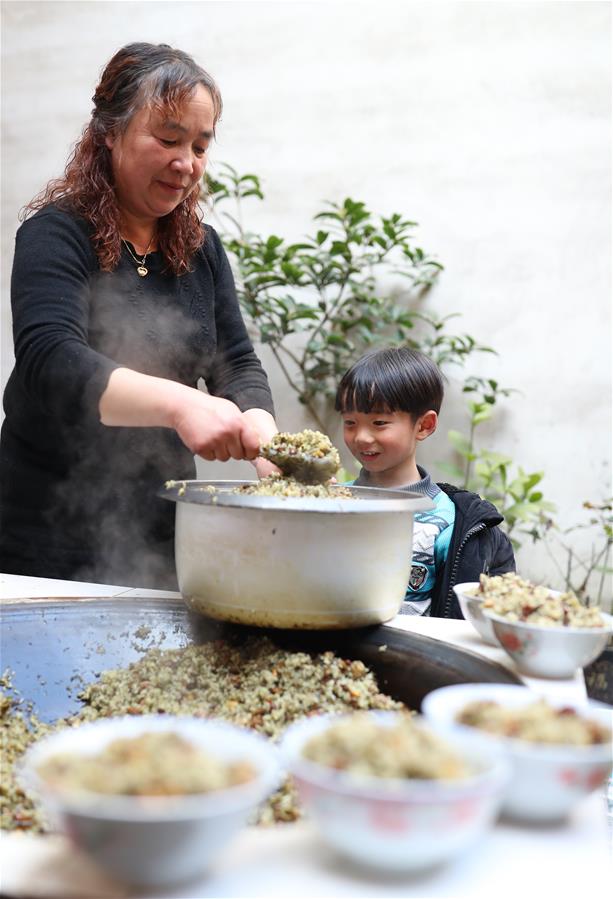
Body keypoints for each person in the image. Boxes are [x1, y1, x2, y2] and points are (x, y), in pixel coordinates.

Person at [0, 43, 278, 590]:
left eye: (200, 146)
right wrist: (182, 404)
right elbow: (50, 359)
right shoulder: (55, 234)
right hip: (43, 532)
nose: (186, 163)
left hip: (159, 529)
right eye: (168, 139)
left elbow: (237, 363)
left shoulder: (202, 249)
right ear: (110, 131)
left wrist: (268, 444)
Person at [335, 346, 515, 618]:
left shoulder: (450, 520)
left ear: (424, 426)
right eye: (350, 422)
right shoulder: (331, 502)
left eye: (379, 422)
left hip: (414, 656)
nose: (361, 437)